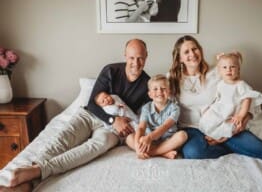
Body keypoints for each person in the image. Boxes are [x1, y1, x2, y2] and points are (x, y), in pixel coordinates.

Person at [1, 38, 151, 191]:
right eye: (132, 57)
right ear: (125, 56)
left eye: (140, 58)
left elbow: (148, 115)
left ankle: (33, 177)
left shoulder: (149, 85)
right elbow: (92, 104)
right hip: (91, 115)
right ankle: (27, 180)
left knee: (94, 147)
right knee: (59, 143)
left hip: (110, 131)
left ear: (146, 57)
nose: (136, 63)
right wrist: (113, 119)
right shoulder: (111, 71)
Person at [168, 35, 262, 172]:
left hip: (225, 124)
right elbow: (164, 108)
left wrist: (244, 119)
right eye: (186, 52)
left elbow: (244, 96)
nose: (192, 54)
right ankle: (230, 149)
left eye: (194, 49)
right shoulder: (172, 79)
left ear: (200, 50)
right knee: (194, 153)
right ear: (179, 58)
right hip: (191, 128)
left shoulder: (219, 71)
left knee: (260, 148)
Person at [198, 51, 262, 140]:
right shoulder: (220, 83)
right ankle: (214, 134)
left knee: (231, 126)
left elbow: (247, 100)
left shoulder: (240, 84)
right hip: (221, 109)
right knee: (209, 119)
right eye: (224, 67)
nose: (228, 70)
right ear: (220, 71)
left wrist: (241, 115)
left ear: (238, 69)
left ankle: (221, 138)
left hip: (233, 112)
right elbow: (218, 97)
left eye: (232, 67)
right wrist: (210, 107)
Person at [126, 74, 187, 159]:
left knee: (182, 136)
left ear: (169, 91)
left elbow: (165, 126)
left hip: (167, 141)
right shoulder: (146, 108)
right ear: (150, 94)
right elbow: (141, 128)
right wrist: (137, 147)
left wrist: (149, 137)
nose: (159, 92)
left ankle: (154, 152)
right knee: (129, 138)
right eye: (155, 89)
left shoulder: (175, 108)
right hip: (149, 142)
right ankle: (163, 153)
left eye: (163, 88)